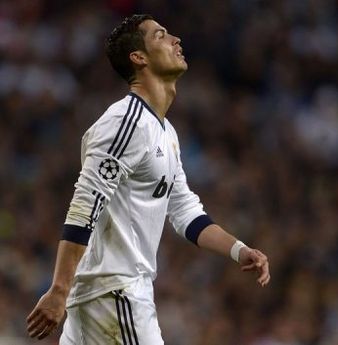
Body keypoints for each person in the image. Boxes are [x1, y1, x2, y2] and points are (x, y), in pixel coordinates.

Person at [26, 14, 270, 344]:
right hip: (116, 293)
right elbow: (86, 203)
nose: (176, 40)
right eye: (161, 36)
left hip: (106, 296)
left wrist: (239, 250)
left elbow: (185, 212)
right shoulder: (126, 122)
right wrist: (58, 289)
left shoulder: (164, 131)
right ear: (138, 58)